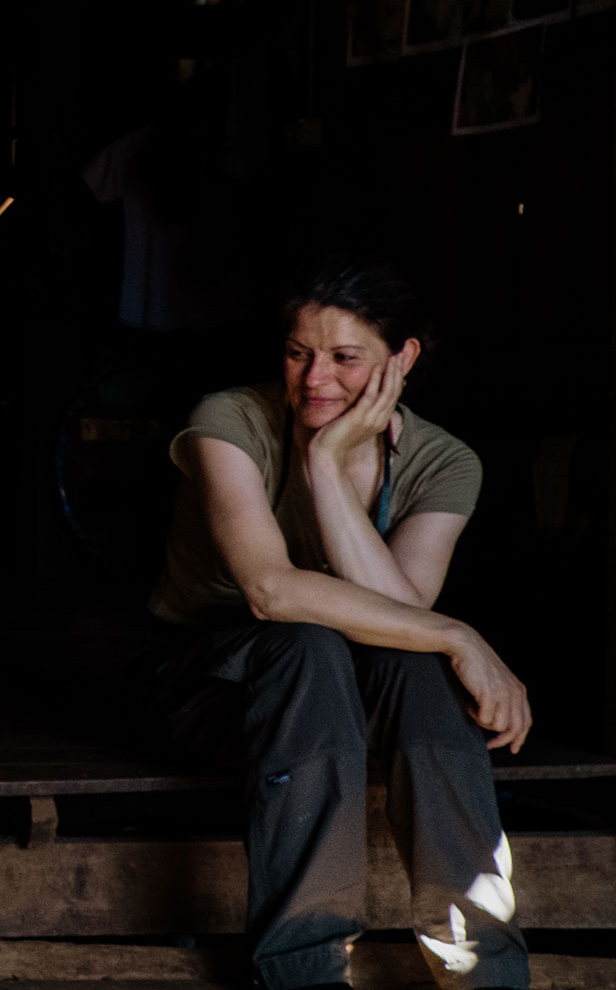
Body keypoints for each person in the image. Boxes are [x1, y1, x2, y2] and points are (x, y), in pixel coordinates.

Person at [151, 260, 529, 990]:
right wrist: (463, 634)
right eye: (299, 353)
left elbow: (404, 620)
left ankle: (483, 966)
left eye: (345, 357)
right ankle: (306, 971)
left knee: (415, 664)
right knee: (310, 641)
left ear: (403, 358)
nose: (315, 377)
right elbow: (269, 590)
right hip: (210, 680)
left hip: (351, 692)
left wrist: (328, 467)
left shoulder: (443, 461)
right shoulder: (228, 421)